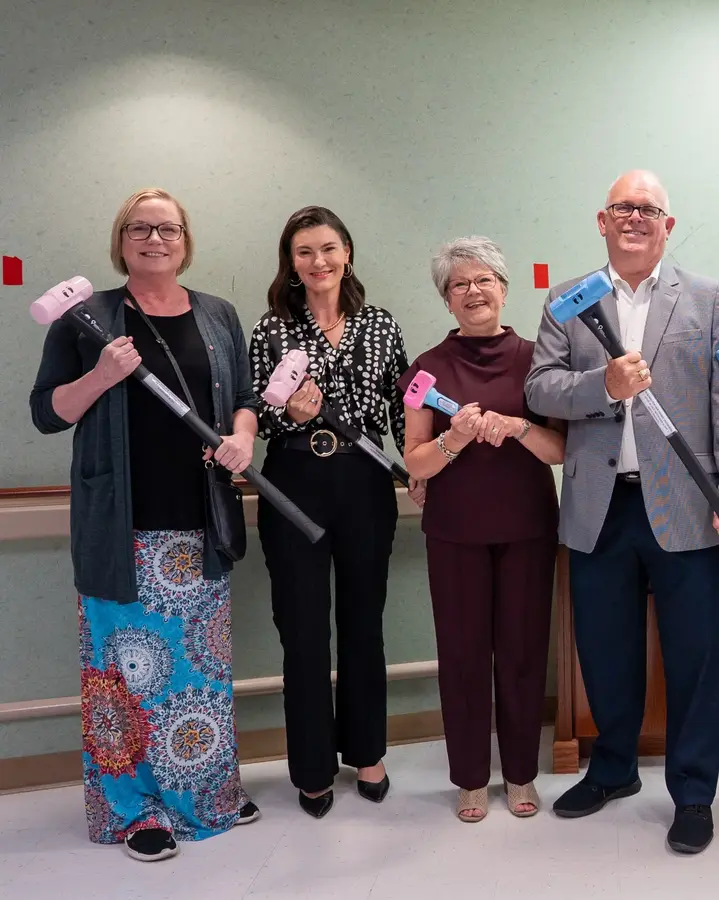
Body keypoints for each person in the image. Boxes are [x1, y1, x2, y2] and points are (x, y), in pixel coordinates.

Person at [30, 188, 260, 862]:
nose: (154, 238)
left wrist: (242, 438)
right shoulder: (85, 318)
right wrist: (102, 374)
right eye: (140, 227)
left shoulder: (217, 315)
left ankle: (204, 793)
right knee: (121, 679)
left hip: (198, 526)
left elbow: (243, 400)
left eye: (167, 228)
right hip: (119, 530)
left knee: (199, 670)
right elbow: (47, 411)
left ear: (185, 240)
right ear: (120, 238)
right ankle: (133, 811)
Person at [526, 170, 719, 854]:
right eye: (621, 207)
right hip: (596, 508)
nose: (634, 217)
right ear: (600, 221)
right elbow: (541, 386)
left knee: (696, 656)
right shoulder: (566, 300)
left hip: (685, 508)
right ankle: (611, 770)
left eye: (648, 209)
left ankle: (693, 792)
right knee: (603, 650)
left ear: (666, 225)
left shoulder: (705, 298)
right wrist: (601, 385)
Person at [249, 205, 421, 818]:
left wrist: (420, 469)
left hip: (366, 481)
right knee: (301, 629)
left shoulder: (380, 324)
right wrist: (286, 414)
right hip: (292, 479)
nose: (318, 261)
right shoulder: (271, 328)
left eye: (328, 248)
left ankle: (368, 751)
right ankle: (313, 767)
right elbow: (253, 414)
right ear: (290, 263)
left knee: (363, 622)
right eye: (304, 252)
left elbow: (404, 409)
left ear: (346, 251)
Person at [399, 236, 565, 822]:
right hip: (454, 533)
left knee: (522, 654)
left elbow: (558, 450)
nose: (473, 291)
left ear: (504, 287)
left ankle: (520, 775)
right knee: (464, 657)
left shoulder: (539, 358)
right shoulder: (427, 369)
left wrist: (518, 427)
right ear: (447, 300)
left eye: (484, 279)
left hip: (527, 529)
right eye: (459, 284)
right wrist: (457, 437)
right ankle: (470, 778)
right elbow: (414, 461)